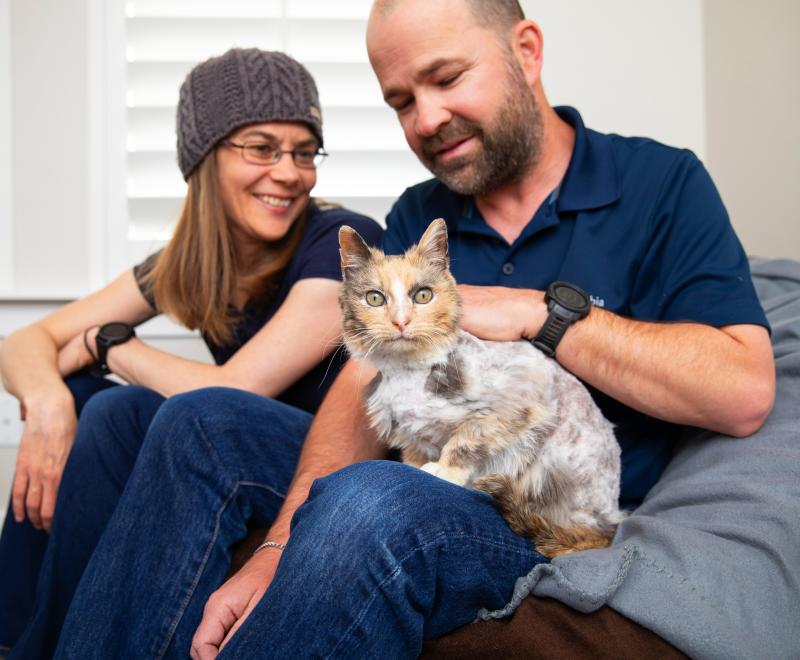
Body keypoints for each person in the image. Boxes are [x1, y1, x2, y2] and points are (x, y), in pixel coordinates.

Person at [51, 1, 777, 658]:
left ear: (526, 50)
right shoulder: (419, 212)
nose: (426, 119)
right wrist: (280, 541)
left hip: (534, 501)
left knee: (374, 498)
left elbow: (742, 389)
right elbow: (364, 385)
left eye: (446, 78)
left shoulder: (662, 184)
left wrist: (537, 314)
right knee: (195, 418)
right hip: (429, 455)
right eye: (401, 101)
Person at [0, 47, 381, 658]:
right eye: (261, 147)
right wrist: (46, 402)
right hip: (243, 440)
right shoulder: (192, 263)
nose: (289, 172)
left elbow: (238, 390)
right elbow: (23, 342)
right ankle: (18, 641)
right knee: (84, 401)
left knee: (129, 408)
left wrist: (112, 344)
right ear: (205, 157)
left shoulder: (341, 245)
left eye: (304, 151)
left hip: (334, 454)